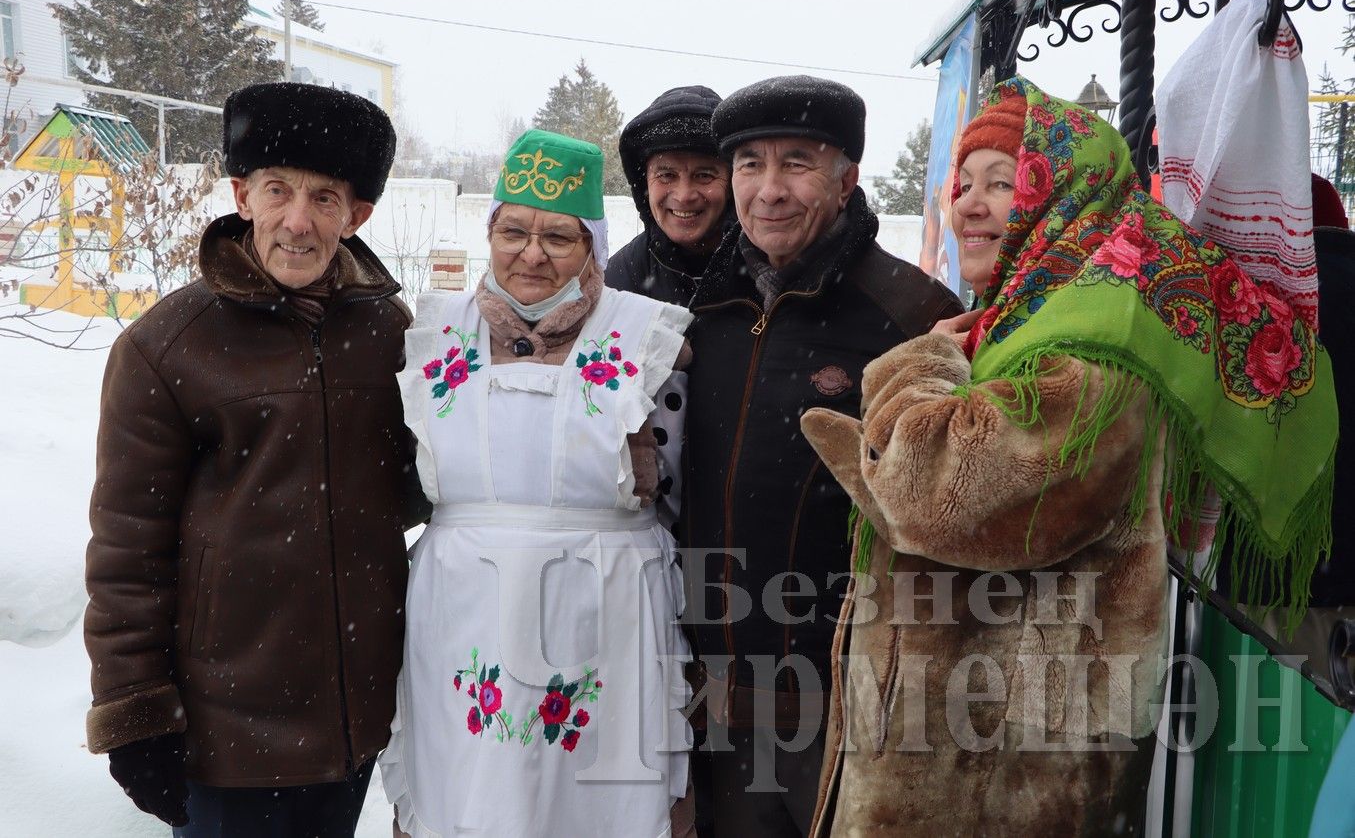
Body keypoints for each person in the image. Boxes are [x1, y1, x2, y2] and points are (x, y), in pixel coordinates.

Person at [800, 77, 1337, 835]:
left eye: (1004, 183)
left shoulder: (1090, 351)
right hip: (963, 737)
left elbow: (931, 502)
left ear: (1067, 198)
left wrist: (911, 367)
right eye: (964, 183)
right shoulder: (1021, 321)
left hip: (1003, 771)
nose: (969, 204)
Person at [84, 83, 426, 836]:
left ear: (357, 214)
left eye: (325, 198)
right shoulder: (167, 346)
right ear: (242, 195)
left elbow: (421, 486)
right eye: (278, 191)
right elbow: (126, 552)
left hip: (356, 716)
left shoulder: (390, 333)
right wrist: (135, 714)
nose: (297, 222)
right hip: (224, 728)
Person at [379, 129, 696, 838]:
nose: (531, 253)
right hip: (465, 613)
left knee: (594, 797)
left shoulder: (646, 336)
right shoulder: (432, 333)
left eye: (558, 236)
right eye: (513, 230)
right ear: (489, 231)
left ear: (593, 246)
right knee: (471, 794)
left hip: (602, 610)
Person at [681, 74, 962, 836]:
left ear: (846, 181)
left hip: (845, 702)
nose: (769, 190)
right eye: (749, 165)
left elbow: (944, 510)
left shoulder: (912, 316)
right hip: (704, 700)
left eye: (796, 163)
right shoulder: (694, 310)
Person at [607, 85, 732, 305]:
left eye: (704, 175)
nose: (684, 196)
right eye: (666, 175)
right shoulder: (621, 278)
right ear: (644, 183)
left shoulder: (767, 272)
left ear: (732, 183)